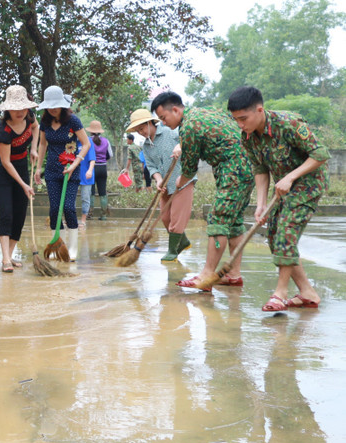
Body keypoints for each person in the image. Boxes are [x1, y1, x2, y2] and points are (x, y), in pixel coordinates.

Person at [228, 86, 327, 311]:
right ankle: (307, 292)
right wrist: (261, 204)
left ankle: (279, 294)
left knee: (285, 233)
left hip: (308, 184)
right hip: (283, 187)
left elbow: (320, 154)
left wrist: (291, 177)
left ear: (260, 110)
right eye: (236, 120)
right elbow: (261, 169)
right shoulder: (248, 137)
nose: (240, 125)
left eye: (243, 119)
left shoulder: (288, 124)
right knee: (274, 238)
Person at [152, 91, 254, 290]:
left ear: (175, 109)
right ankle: (234, 274)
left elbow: (189, 169)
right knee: (234, 223)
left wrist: (178, 183)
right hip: (248, 166)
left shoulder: (188, 126)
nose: (163, 123)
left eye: (163, 118)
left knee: (218, 221)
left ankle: (206, 275)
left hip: (232, 170)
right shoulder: (205, 112)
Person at [127, 108, 195, 262]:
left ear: (151, 123)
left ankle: (173, 251)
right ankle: (182, 242)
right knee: (165, 218)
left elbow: (190, 140)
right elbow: (151, 167)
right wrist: (158, 180)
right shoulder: (146, 146)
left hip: (183, 181)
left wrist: (181, 146)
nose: (141, 132)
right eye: (138, 130)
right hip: (164, 184)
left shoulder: (170, 133)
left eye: (142, 128)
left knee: (176, 219)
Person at [34, 85, 90, 261]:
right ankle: (58, 246)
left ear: (63, 105)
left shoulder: (73, 121)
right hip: (52, 170)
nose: (53, 109)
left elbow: (86, 144)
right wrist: (38, 168)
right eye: (50, 106)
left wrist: (75, 163)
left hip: (70, 170)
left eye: (56, 105)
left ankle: (72, 248)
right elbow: (42, 145)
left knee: (68, 208)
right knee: (54, 209)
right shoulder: (45, 122)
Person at [0, 85, 37, 272]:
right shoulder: (4, 132)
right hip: (3, 170)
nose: (20, 112)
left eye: (23, 108)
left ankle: (10, 255)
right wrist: (24, 185)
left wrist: (33, 148)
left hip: (21, 167)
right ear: (8, 109)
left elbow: (36, 127)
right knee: (7, 213)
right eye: (16, 108)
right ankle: (5, 259)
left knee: (20, 213)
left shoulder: (30, 118)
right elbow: (6, 162)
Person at [87, 120, 112, 220]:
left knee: (91, 191)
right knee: (102, 192)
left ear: (90, 131)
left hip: (91, 168)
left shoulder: (88, 140)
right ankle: (103, 215)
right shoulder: (106, 141)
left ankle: (90, 214)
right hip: (103, 168)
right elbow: (110, 155)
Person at [77, 136, 97, 228]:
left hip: (86, 174)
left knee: (85, 198)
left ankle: (83, 220)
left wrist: (90, 170)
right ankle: (69, 219)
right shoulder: (71, 140)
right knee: (69, 197)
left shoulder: (88, 140)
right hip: (73, 173)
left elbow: (92, 158)